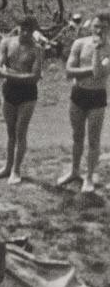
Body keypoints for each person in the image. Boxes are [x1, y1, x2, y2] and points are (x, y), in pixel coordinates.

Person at [59, 12, 108, 194]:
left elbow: (99, 73)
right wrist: (90, 70)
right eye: (96, 26)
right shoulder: (80, 43)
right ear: (91, 26)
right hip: (78, 94)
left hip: (97, 97)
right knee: (77, 136)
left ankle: (89, 177)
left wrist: (97, 50)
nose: (98, 31)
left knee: (93, 140)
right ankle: (74, 171)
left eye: (103, 28)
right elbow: (69, 71)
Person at [0, 15, 42, 184]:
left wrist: (10, 74)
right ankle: (7, 167)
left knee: (21, 132)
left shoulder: (37, 49)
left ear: (34, 32)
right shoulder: (6, 43)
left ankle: (16, 170)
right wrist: (21, 75)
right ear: (18, 28)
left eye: (29, 31)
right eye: (23, 29)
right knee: (10, 132)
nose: (25, 33)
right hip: (9, 92)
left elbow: (35, 77)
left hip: (27, 95)